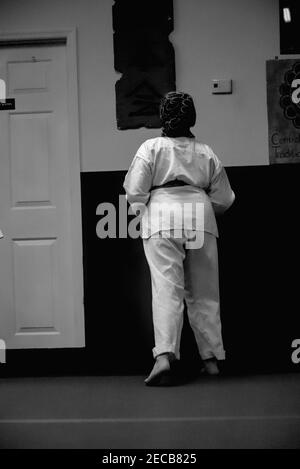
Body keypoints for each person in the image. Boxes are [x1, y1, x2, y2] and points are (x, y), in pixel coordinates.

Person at [123, 91, 235, 386]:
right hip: (200, 213)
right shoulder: (206, 152)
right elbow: (224, 199)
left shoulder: (151, 147)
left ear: (162, 116)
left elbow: (134, 192)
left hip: (161, 213)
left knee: (166, 290)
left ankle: (164, 358)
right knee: (204, 292)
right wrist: (200, 207)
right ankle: (211, 360)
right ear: (192, 118)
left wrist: (144, 207)